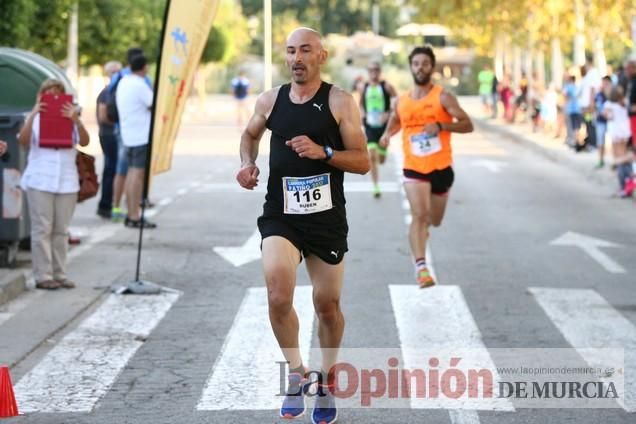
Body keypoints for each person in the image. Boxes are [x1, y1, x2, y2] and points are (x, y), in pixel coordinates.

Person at [235, 27, 369, 424]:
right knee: (278, 295)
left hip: (326, 220)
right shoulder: (270, 100)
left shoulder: (340, 102)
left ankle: (326, 380)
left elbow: (362, 161)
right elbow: (249, 134)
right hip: (281, 215)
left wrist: (324, 152)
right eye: (291, 51)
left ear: (321, 56)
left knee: (326, 307)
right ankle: (296, 374)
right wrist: (246, 163)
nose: (296, 58)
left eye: (305, 50)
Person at [379, 45, 473, 288]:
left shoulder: (443, 97)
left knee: (435, 219)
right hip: (414, 167)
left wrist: (442, 126)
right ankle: (421, 268)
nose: (420, 67)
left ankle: (422, 232)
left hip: (441, 167)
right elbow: (395, 123)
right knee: (419, 216)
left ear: (432, 67)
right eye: (416, 63)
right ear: (411, 67)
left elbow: (467, 124)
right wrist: (386, 136)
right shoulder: (402, 100)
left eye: (425, 63)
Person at [18, 79, 90, 290]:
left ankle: (60, 273)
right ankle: (43, 275)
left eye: (58, 93)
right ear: (41, 96)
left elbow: (85, 141)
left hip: (66, 180)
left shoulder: (71, 116)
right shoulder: (35, 117)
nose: (54, 97)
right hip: (40, 179)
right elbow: (22, 142)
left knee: (61, 230)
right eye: (48, 93)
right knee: (42, 229)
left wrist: (76, 120)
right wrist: (33, 114)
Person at [110, 47, 153, 222]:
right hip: (140, 136)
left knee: (128, 174)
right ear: (144, 67)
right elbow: (153, 104)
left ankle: (130, 211)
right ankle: (134, 214)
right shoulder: (140, 84)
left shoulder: (123, 81)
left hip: (126, 134)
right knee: (137, 175)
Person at [360, 62, 396, 198]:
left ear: (380, 71)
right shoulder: (364, 87)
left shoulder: (386, 87)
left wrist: (389, 112)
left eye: (376, 70)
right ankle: (376, 186)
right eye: (371, 70)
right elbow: (361, 105)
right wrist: (362, 115)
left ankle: (383, 150)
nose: (374, 72)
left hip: (383, 127)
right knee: (371, 155)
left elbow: (397, 102)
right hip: (370, 126)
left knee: (381, 159)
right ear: (368, 72)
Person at [95, 60, 123, 218]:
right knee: (111, 169)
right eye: (113, 71)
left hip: (112, 134)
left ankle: (110, 203)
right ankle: (105, 204)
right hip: (108, 135)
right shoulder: (107, 93)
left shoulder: (114, 91)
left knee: (114, 169)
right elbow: (103, 116)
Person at [603, 85, 633, 197]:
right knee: (624, 157)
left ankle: (623, 186)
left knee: (619, 159)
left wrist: (610, 114)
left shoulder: (609, 104)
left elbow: (607, 116)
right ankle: (629, 182)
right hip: (625, 131)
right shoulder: (624, 102)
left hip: (616, 132)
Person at [594, 76, 613, 168]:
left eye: (607, 83)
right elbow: (598, 107)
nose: (605, 85)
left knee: (614, 141)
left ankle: (615, 161)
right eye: (603, 83)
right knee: (600, 141)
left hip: (612, 121)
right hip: (601, 120)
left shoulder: (613, 94)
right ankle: (600, 160)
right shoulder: (599, 94)